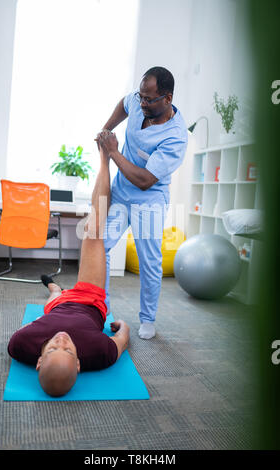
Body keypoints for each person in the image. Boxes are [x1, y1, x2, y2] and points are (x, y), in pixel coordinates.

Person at [7, 143, 130, 397]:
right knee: (93, 230)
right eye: (69, 350)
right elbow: (123, 339)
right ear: (78, 363)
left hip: (57, 307)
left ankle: (54, 287)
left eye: (53, 349)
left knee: (53, 300)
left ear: (38, 361)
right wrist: (122, 326)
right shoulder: (101, 353)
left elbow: (43, 325)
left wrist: (51, 314)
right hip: (88, 301)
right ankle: (104, 159)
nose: (61, 340)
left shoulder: (19, 346)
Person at [96, 66, 188, 340]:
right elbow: (124, 104)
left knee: (149, 260)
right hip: (122, 192)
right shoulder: (138, 101)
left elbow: (146, 179)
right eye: (141, 96)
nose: (142, 103)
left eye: (149, 99)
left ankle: (147, 319)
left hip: (149, 197)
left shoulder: (175, 136)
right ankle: (103, 310)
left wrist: (113, 152)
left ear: (167, 98)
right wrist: (107, 128)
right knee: (101, 245)